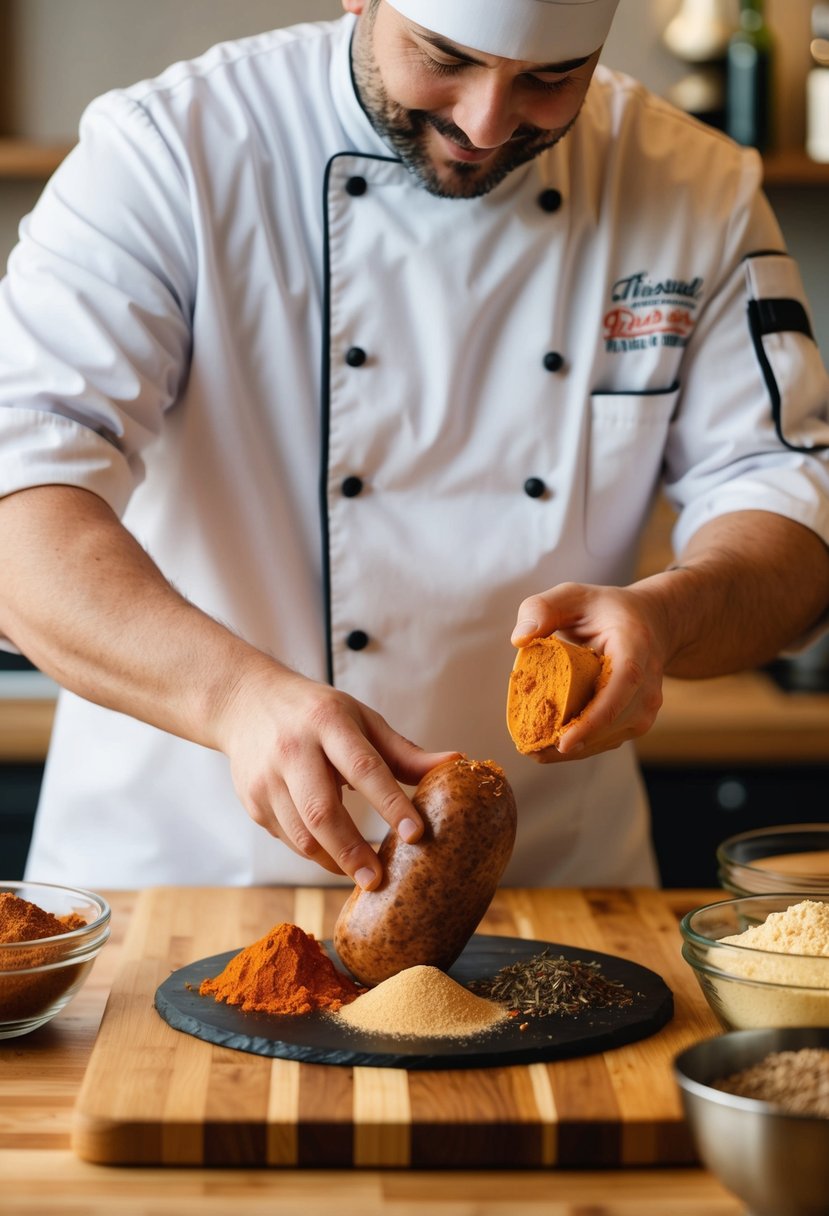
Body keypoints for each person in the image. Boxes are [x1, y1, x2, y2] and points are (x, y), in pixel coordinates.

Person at [0, 0, 828, 891]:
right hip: (179, 877)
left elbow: (788, 505)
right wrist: (231, 697)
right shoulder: (170, 148)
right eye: (444, 57)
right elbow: (22, 501)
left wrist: (671, 616)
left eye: (550, 79)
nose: (485, 122)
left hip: (545, 891)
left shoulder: (692, 184)